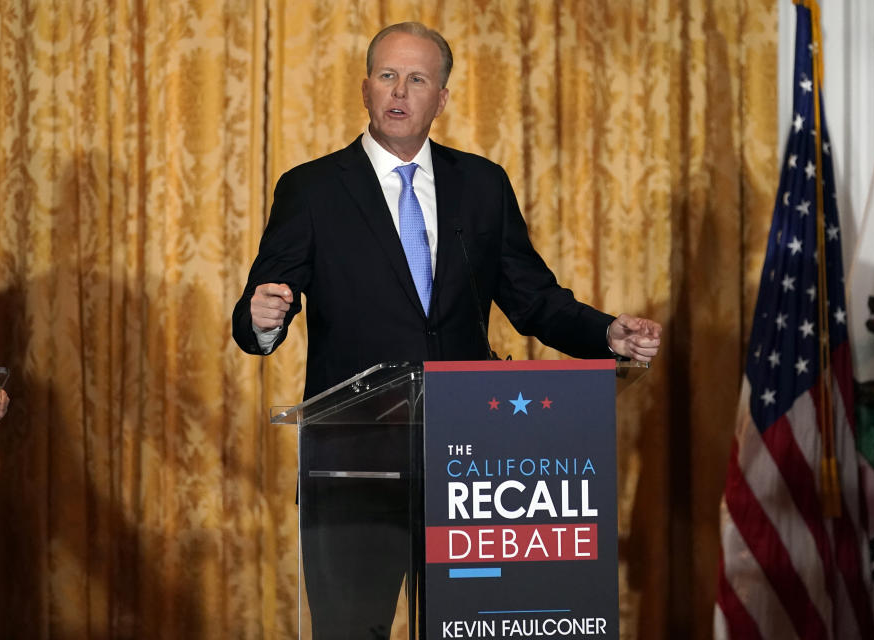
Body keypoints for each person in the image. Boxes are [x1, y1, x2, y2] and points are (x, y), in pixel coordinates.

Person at [233, 22, 662, 639]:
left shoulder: (481, 184)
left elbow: (532, 297)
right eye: (386, 75)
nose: (399, 90)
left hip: (472, 470)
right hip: (355, 469)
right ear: (365, 89)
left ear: (442, 97)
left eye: (417, 78)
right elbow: (259, 307)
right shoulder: (312, 188)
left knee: (470, 629)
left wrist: (606, 335)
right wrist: (261, 317)